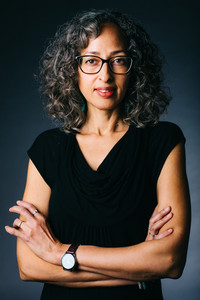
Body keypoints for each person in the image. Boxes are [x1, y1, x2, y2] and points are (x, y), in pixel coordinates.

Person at [5, 9, 191, 300]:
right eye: (91, 61)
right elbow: (29, 266)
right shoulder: (47, 148)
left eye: (118, 60)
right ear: (72, 69)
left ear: (134, 69)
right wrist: (139, 272)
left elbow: (170, 261)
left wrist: (58, 252)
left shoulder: (163, 140)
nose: (105, 74)